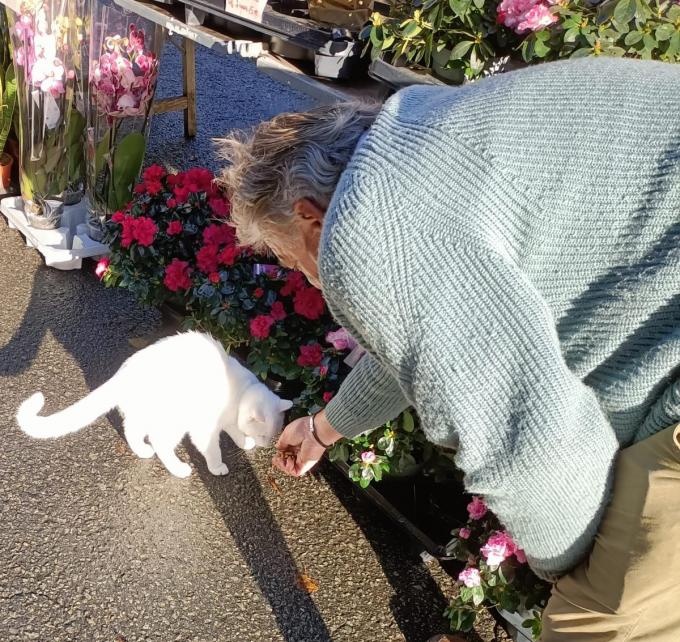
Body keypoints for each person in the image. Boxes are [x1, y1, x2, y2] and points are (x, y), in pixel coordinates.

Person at [217, 57, 680, 640]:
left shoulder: (373, 231)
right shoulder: (405, 144)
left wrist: (571, 576)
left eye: (294, 262)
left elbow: (527, 441)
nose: (311, 280)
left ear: (310, 219)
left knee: (597, 624)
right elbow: (416, 345)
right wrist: (324, 428)